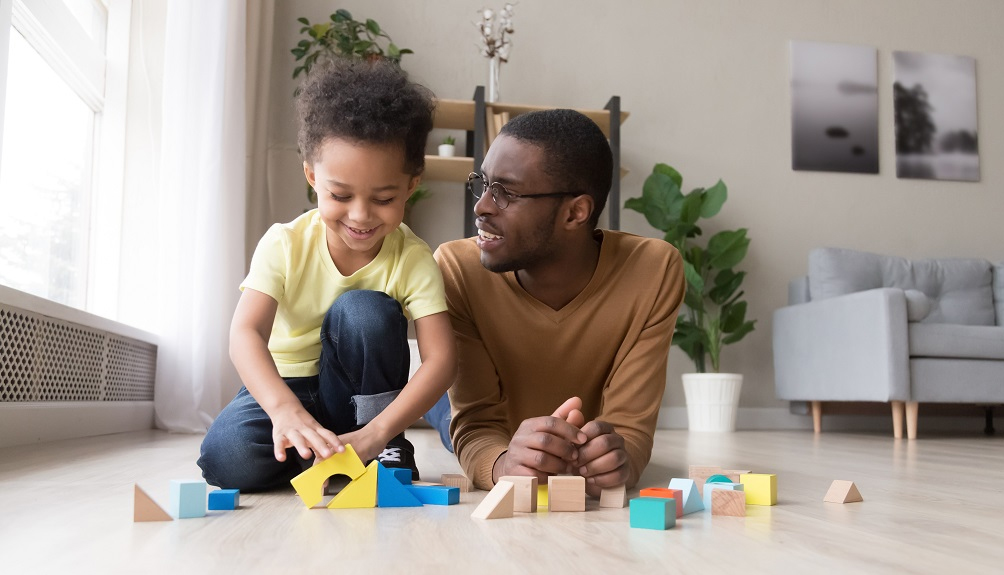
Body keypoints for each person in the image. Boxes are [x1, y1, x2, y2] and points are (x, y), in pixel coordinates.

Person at [198, 58, 456, 491]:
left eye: (384, 198)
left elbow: (442, 360)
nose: (360, 215)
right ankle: (318, 452)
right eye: (340, 195)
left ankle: (378, 444)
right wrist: (282, 409)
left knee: (364, 311)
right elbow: (245, 332)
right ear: (312, 177)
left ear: (411, 186)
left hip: (362, 402)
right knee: (228, 461)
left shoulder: (412, 258)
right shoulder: (285, 243)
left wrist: (378, 431)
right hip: (287, 386)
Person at [434, 109, 685, 497]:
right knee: (437, 402)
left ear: (575, 212)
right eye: (483, 184)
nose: (481, 206)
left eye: (506, 193)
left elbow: (630, 431)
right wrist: (501, 464)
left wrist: (616, 462)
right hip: (479, 413)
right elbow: (476, 422)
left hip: (563, 442)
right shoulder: (457, 268)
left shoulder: (653, 270)